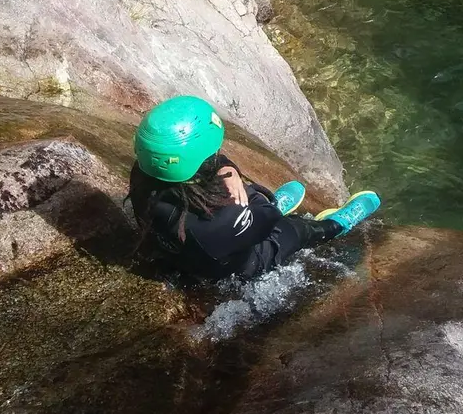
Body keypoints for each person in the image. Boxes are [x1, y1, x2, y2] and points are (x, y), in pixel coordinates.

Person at [128, 96, 381, 281]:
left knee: (242, 208)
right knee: (293, 229)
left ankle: (250, 220)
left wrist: (227, 170)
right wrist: (252, 203)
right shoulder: (223, 219)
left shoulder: (144, 175)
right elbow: (269, 219)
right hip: (241, 262)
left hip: (188, 250)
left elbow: (202, 165)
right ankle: (337, 224)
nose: (218, 153)